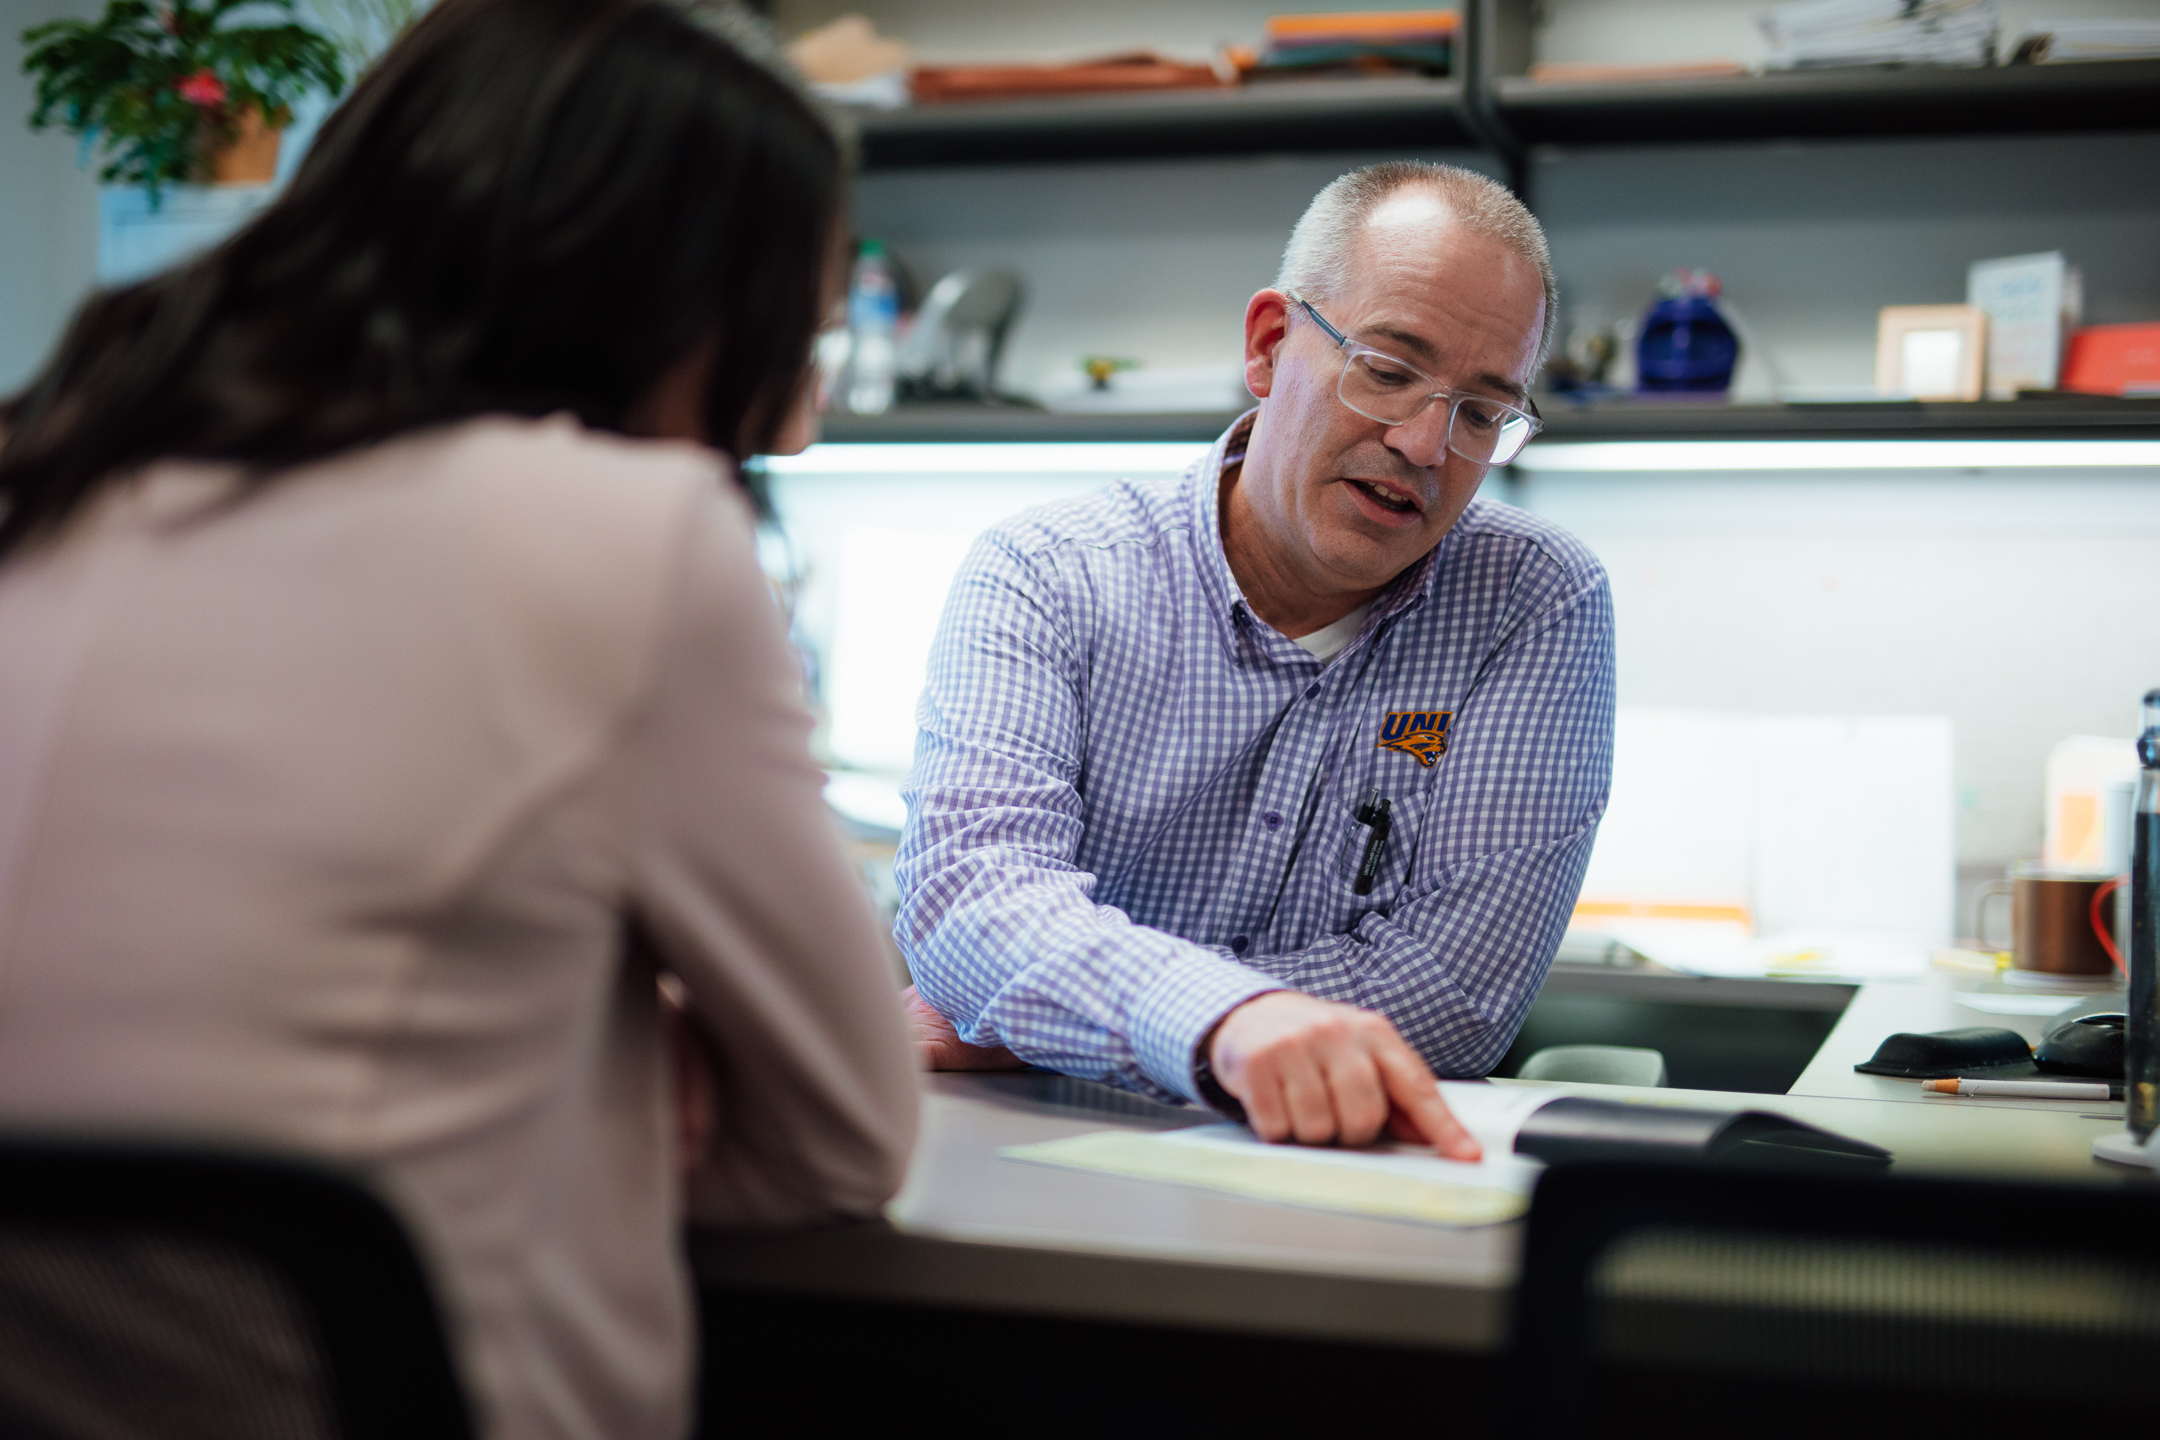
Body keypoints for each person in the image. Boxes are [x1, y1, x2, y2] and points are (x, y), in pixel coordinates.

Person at [0, 2, 916, 1437]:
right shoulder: (630, 537)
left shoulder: (56, 464)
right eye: (781, 335)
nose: (786, 423)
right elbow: (844, 1140)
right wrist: (591, 1095)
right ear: (667, 299)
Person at [898, 162, 1614, 1159]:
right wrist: (1219, 1029)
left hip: (1355, 1207)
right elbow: (971, 901)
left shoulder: (1531, 604)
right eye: (1388, 367)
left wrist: (1072, 1013)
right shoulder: (1049, 574)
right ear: (1272, 345)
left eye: (1482, 413)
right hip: (1039, 1183)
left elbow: (1459, 997)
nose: (1422, 443)